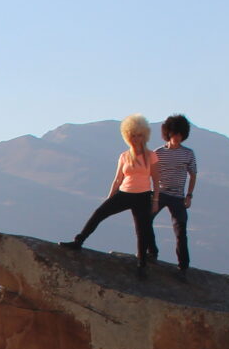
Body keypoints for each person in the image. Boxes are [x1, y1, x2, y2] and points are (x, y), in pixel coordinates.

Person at [61, 115, 159, 274]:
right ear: (127, 135)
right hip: (124, 193)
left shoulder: (151, 156)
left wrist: (155, 200)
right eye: (133, 135)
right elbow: (118, 179)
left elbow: (156, 179)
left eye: (139, 135)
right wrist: (110, 198)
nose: (136, 138)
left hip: (143, 196)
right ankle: (78, 242)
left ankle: (142, 264)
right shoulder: (124, 156)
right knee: (99, 213)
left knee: (142, 230)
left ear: (145, 135)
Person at [153, 114, 198, 280]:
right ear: (169, 133)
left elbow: (193, 175)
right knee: (145, 220)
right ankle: (151, 253)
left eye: (180, 134)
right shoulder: (158, 152)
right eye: (175, 133)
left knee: (181, 231)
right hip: (160, 193)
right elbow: (153, 174)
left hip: (178, 196)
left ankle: (183, 267)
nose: (178, 137)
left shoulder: (188, 154)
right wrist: (154, 195)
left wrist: (189, 195)